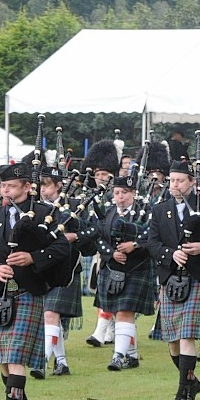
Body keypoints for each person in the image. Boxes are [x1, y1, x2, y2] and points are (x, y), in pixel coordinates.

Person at [0, 160, 73, 400]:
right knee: (4, 361)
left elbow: (62, 248)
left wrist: (32, 258)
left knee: (14, 357)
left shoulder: (44, 213)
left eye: (12, 186)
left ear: (28, 187)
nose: (6, 191)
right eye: (3, 186)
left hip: (28, 292)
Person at [146, 161, 200, 400]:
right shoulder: (160, 210)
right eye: (171, 180)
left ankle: (182, 394)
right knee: (172, 341)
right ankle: (192, 381)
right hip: (171, 277)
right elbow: (152, 242)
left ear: (192, 182)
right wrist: (170, 254)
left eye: (180, 180)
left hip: (199, 276)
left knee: (185, 336)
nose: (174, 185)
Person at [36, 158, 92, 378]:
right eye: (40, 186)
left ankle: (41, 362)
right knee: (50, 317)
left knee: (51, 314)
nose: (42, 190)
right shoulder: (37, 208)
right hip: (42, 267)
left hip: (67, 269)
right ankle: (61, 362)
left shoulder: (77, 205)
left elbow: (95, 231)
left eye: (46, 185)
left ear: (58, 185)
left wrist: (75, 235)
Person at [94, 174, 155, 371]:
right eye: (117, 193)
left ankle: (118, 356)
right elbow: (98, 237)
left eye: (125, 193)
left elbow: (152, 237)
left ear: (134, 194)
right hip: (112, 268)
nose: (121, 197)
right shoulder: (109, 213)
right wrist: (111, 254)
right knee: (120, 313)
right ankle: (132, 355)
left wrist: (134, 245)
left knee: (124, 312)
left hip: (137, 269)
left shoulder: (145, 212)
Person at [82, 139, 120, 349]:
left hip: (116, 248)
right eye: (97, 175)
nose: (100, 178)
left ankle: (102, 330)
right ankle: (108, 329)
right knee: (104, 290)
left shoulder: (118, 194)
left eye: (104, 174)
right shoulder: (90, 195)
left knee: (110, 290)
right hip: (99, 249)